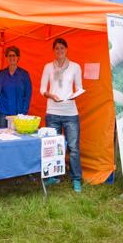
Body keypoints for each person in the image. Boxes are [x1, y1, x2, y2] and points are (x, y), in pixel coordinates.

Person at [40, 38, 83, 193]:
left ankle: (76, 179)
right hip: (52, 112)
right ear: (54, 50)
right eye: (57, 48)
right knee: (53, 147)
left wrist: (74, 95)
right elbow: (42, 89)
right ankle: (53, 176)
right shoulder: (48, 67)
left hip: (71, 113)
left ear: (66, 49)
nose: (59, 51)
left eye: (62, 48)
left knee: (73, 147)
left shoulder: (75, 67)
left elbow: (79, 88)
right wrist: (50, 95)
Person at [0, 46, 32, 127]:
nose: (11, 58)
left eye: (14, 55)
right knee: (2, 136)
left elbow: (28, 95)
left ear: (18, 57)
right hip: (2, 113)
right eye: (9, 55)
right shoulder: (0, 74)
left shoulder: (24, 75)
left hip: (19, 113)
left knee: (17, 137)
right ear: (6, 58)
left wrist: (23, 113)